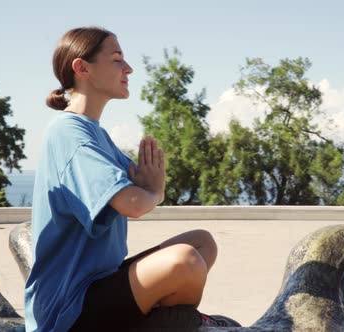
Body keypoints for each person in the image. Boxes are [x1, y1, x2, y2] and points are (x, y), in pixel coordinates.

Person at [24, 26, 241, 331]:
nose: (129, 68)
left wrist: (149, 187)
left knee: (202, 243)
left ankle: (161, 320)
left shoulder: (96, 134)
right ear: (82, 68)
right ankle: (176, 322)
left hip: (103, 283)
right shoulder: (67, 133)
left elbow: (137, 184)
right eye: (117, 59)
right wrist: (156, 192)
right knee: (186, 262)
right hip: (69, 310)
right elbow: (135, 202)